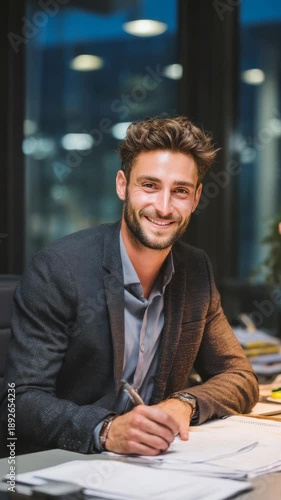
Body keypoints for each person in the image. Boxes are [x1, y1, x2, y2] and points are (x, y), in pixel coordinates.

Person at [0, 116, 259, 457]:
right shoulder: (59, 269)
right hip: (62, 465)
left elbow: (239, 375)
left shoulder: (195, 269)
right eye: (149, 186)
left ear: (196, 199)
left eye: (180, 191)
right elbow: (19, 401)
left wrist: (185, 403)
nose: (164, 207)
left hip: (153, 468)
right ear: (123, 185)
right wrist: (105, 429)